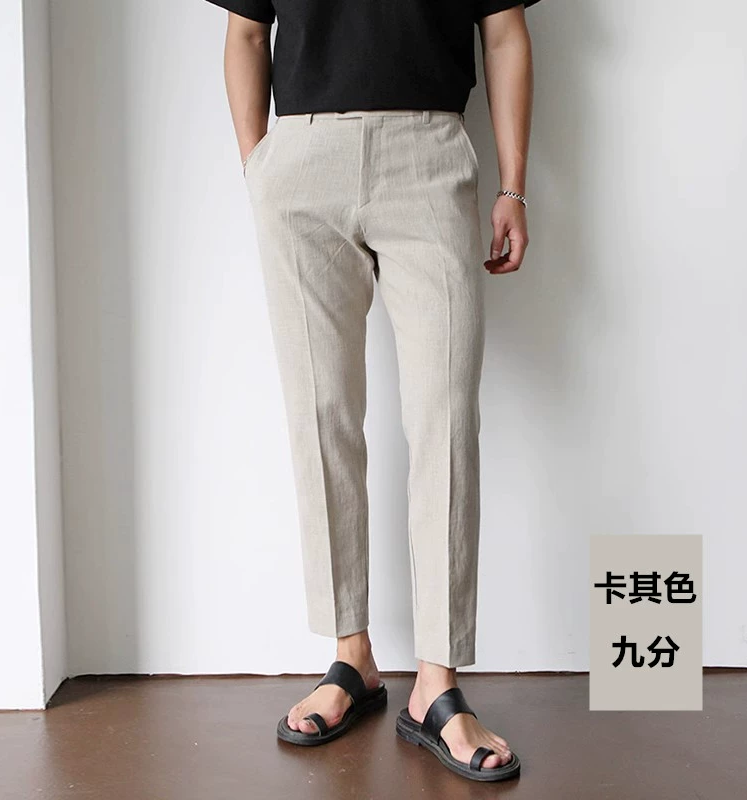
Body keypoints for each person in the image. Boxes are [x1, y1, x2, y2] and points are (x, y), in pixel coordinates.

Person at [205, 0, 542, 782]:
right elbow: (246, 31)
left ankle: (437, 684)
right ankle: (350, 656)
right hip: (302, 161)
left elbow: (503, 32)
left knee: (445, 418)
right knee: (320, 414)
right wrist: (260, 168)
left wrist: (514, 186)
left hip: (428, 152)